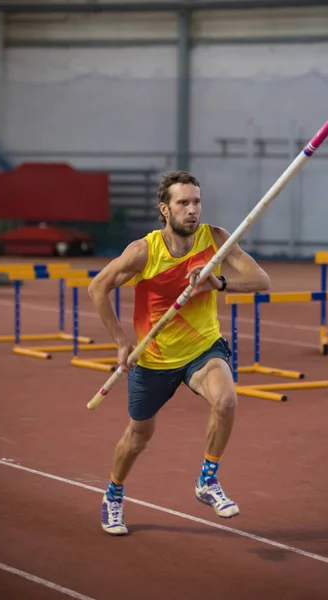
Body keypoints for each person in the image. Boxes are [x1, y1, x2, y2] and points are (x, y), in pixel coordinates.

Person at [88, 170, 270, 535]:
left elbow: (262, 281)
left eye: (197, 202)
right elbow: (98, 287)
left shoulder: (216, 240)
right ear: (165, 210)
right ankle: (113, 494)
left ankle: (207, 480)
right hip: (153, 359)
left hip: (202, 349)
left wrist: (218, 283)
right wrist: (121, 341)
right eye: (183, 203)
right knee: (138, 437)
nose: (192, 210)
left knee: (227, 400)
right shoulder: (144, 251)